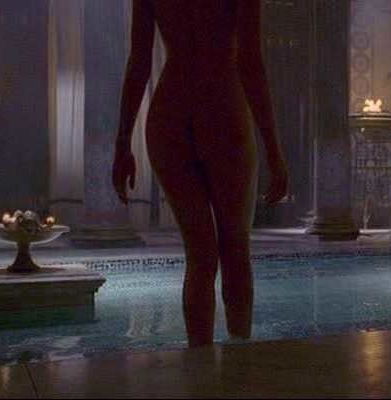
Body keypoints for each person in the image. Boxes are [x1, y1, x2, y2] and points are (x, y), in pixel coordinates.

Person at [112, 0, 288, 347]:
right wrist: (273, 149)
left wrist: (122, 144)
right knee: (234, 248)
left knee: (200, 255)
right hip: (222, 107)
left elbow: (139, 62)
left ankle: (200, 361)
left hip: (170, 114)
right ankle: (238, 359)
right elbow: (250, 60)